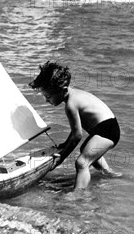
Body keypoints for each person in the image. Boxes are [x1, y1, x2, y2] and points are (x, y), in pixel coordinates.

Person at [29, 61, 121, 190]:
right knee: (86, 151)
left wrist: (61, 157)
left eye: (48, 96)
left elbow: (78, 135)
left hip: (107, 130)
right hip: (107, 127)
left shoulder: (71, 105)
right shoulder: (73, 96)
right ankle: (110, 175)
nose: (47, 100)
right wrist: (65, 145)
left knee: (82, 162)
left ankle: (78, 196)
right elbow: (75, 131)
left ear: (64, 90)